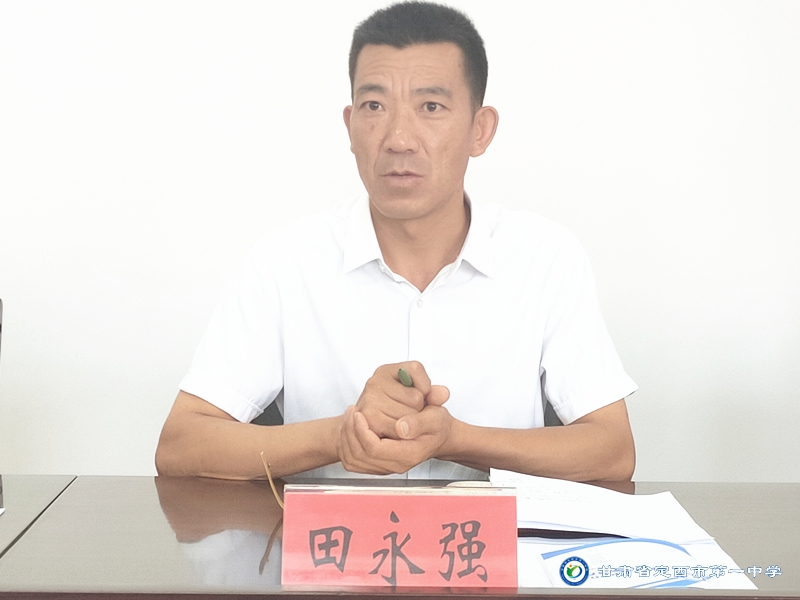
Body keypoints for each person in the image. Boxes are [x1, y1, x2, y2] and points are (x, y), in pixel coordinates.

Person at [155, 1, 637, 482]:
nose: (399, 138)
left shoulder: (545, 258)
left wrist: (455, 438)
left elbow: (612, 451)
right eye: (375, 106)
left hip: (488, 534)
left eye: (431, 107)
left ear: (480, 130)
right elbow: (181, 446)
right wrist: (340, 436)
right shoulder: (284, 263)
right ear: (350, 126)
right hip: (335, 534)